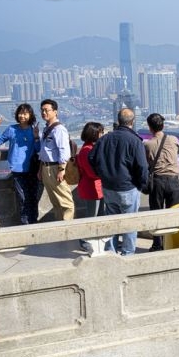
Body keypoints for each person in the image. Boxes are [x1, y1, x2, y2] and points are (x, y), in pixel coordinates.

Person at [88, 108, 148, 255]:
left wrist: (101, 174)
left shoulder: (104, 139)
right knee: (129, 224)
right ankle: (127, 254)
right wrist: (141, 184)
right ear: (132, 122)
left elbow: (91, 158)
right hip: (128, 187)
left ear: (118, 121)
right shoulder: (135, 141)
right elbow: (142, 167)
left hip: (108, 187)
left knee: (111, 223)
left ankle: (111, 252)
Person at [0, 103, 42, 224]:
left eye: (25, 113)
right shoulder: (11, 129)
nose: (22, 116)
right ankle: (25, 224)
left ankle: (33, 222)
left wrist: (36, 137)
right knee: (23, 198)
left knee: (33, 198)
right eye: (20, 113)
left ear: (30, 115)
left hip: (32, 169)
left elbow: (39, 149)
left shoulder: (34, 130)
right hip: (17, 170)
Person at [143, 113, 179, 251]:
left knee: (156, 213)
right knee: (174, 213)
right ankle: (174, 242)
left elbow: (147, 162)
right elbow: (177, 153)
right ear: (163, 125)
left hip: (158, 181)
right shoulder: (173, 139)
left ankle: (157, 244)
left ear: (150, 127)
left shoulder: (148, 144)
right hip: (173, 180)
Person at [38, 99, 74, 221]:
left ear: (55, 112)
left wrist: (61, 169)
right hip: (45, 168)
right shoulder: (46, 129)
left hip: (55, 168)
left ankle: (68, 230)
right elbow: (44, 151)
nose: (44, 113)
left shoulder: (59, 129)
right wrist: (40, 169)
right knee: (56, 202)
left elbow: (64, 151)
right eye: (42, 110)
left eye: (46, 110)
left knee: (66, 203)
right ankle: (60, 229)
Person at [76, 122, 105, 253]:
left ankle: (96, 239)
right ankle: (84, 240)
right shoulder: (86, 151)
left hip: (98, 187)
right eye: (101, 132)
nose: (102, 134)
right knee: (91, 216)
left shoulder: (90, 148)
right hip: (91, 187)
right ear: (94, 134)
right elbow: (91, 173)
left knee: (99, 215)